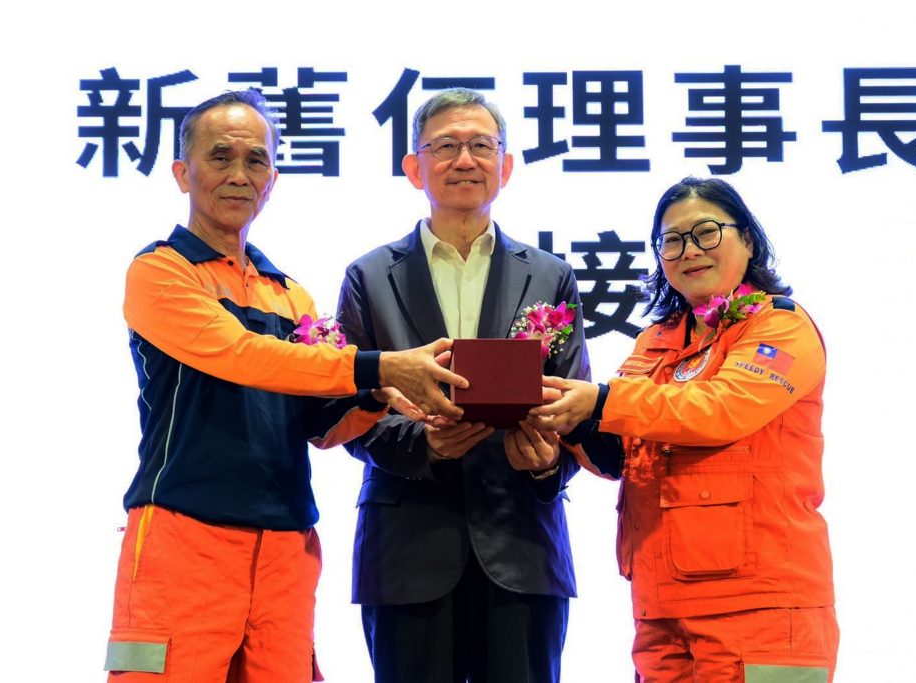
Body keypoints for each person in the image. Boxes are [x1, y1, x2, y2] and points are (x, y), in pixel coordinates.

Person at [104, 90, 468, 683]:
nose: (239, 175)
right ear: (182, 173)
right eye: (220, 157)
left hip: (286, 546)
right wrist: (377, 368)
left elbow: (319, 425)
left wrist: (377, 398)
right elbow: (241, 356)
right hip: (182, 535)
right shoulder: (160, 270)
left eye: (256, 161)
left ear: (272, 179)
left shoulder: (289, 293)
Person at [533, 177, 838, 682]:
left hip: (763, 605)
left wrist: (601, 401)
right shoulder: (656, 340)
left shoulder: (780, 326)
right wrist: (562, 418)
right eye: (671, 240)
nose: (689, 251)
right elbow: (619, 454)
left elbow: (721, 410)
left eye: (706, 233)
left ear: (748, 240)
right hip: (660, 609)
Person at [336, 88, 590, 683]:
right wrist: (421, 445)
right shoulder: (369, 276)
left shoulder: (550, 275)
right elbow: (345, 409)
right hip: (407, 546)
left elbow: (574, 400)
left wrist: (547, 463)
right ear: (413, 167)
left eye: (481, 146)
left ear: (505, 166)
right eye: (445, 146)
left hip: (522, 542)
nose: (465, 160)